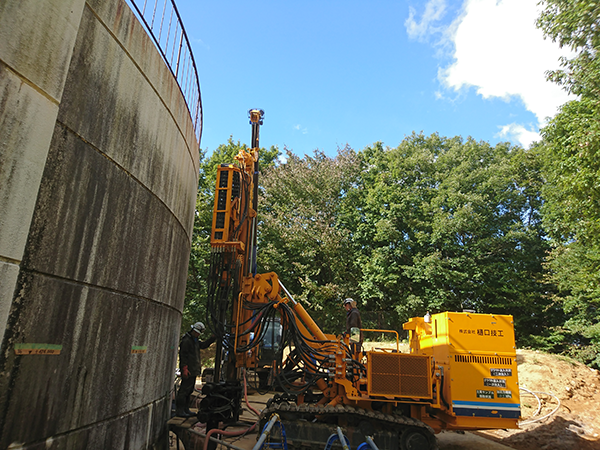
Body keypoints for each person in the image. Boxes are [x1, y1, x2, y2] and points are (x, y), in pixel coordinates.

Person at [175, 321, 216, 417]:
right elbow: (183, 356)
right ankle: (180, 410)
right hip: (188, 370)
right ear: (194, 330)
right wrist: (184, 368)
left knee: (189, 390)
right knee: (184, 390)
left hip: (193, 370)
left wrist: (212, 339)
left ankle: (185, 409)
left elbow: (203, 345)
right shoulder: (186, 341)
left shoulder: (194, 340)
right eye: (198, 332)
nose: (198, 335)